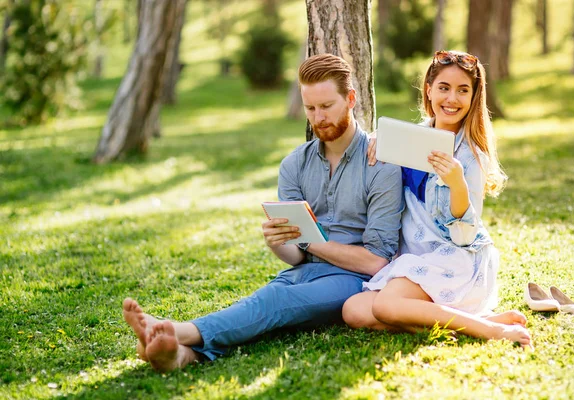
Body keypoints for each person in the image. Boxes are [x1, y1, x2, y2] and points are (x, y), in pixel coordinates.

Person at [123, 53, 405, 371]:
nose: (318, 117)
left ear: (351, 99)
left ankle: (177, 329)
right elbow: (297, 257)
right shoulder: (294, 165)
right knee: (262, 304)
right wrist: (278, 244)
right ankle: (181, 356)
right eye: (310, 108)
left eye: (327, 106)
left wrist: (309, 242)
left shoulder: (381, 166)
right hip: (302, 273)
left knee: (272, 304)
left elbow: (376, 262)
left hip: (355, 281)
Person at [342, 50, 532, 348]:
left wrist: (457, 185)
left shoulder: (471, 157)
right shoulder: (405, 138)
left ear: (473, 97)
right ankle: (469, 323)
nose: (452, 99)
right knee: (353, 310)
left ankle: (489, 331)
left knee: (383, 307)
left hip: (454, 261)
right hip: (413, 259)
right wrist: (380, 139)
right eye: (444, 88)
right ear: (428, 90)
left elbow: (465, 236)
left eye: (462, 90)